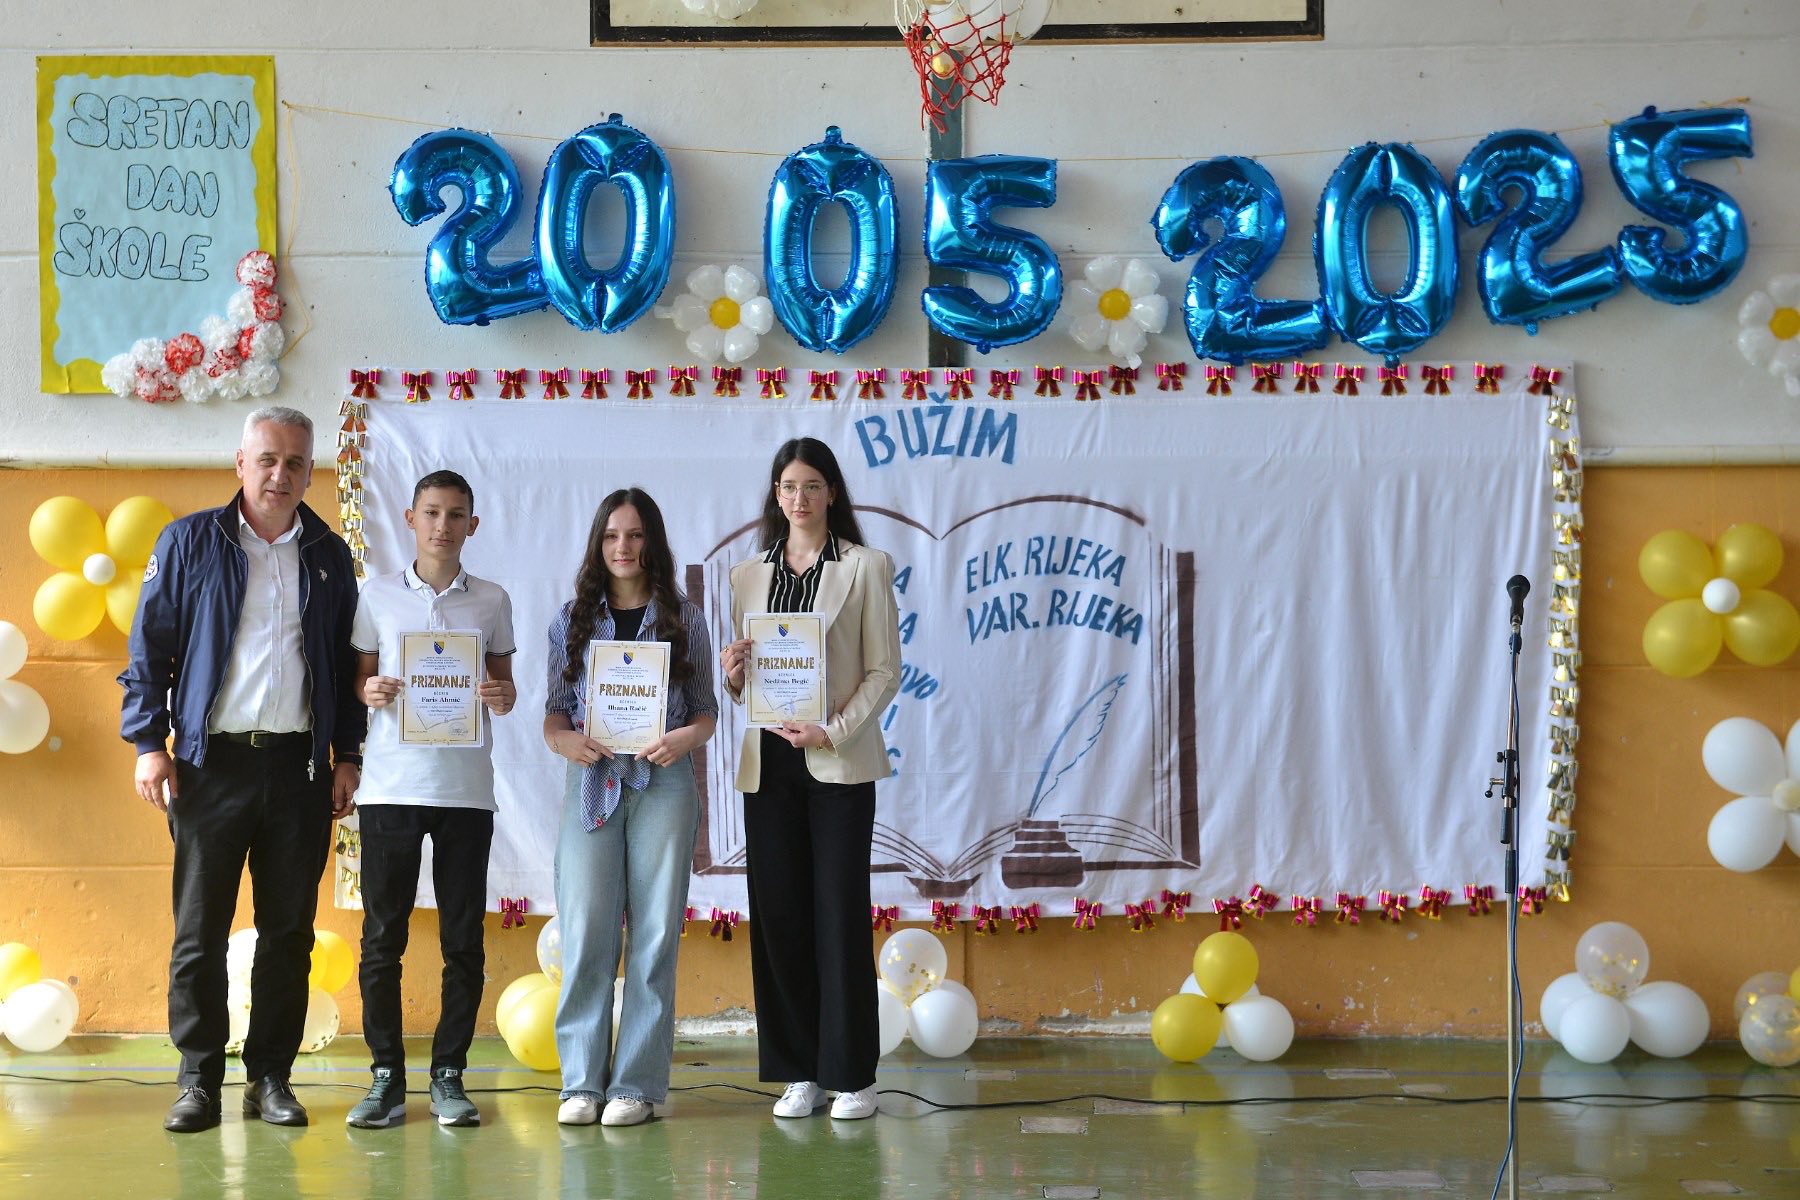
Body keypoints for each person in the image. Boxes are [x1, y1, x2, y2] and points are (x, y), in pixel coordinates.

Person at [119, 406, 364, 1133]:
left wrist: (348, 756)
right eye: (267, 459)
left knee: (288, 933)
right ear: (241, 463)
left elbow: (347, 665)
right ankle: (198, 1080)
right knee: (200, 930)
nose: (280, 475)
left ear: (310, 473)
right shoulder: (189, 542)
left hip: (299, 768)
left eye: (295, 463)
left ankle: (270, 1078)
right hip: (210, 767)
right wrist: (148, 743)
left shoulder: (329, 554)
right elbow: (149, 648)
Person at [719, 438, 901, 1121]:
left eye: (813, 486)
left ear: (832, 494)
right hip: (769, 764)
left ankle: (852, 1075)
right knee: (781, 917)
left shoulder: (866, 566)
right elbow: (747, 684)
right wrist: (734, 675)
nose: (800, 498)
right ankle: (799, 1071)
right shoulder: (746, 575)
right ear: (776, 494)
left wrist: (835, 730)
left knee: (839, 914)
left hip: (838, 763)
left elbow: (884, 671)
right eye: (789, 487)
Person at [343, 470, 518, 1129]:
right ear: (411, 518)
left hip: (465, 792)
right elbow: (358, 680)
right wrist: (369, 692)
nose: (443, 525)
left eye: (456, 514)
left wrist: (501, 696)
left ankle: (449, 1075)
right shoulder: (376, 595)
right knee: (382, 939)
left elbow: (504, 687)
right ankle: (386, 1077)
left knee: (462, 940)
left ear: (473, 524)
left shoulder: (492, 599)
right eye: (432, 513)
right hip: (390, 788)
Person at [543, 489, 718, 1128]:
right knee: (587, 928)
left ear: (653, 543)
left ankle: (636, 1086)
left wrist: (684, 739)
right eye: (613, 535)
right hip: (591, 780)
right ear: (598, 543)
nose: (624, 546)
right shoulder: (570, 620)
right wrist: (564, 742)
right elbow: (553, 715)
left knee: (654, 934)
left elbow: (706, 712)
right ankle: (581, 1084)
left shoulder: (683, 618)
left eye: (636, 535)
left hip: (663, 784)